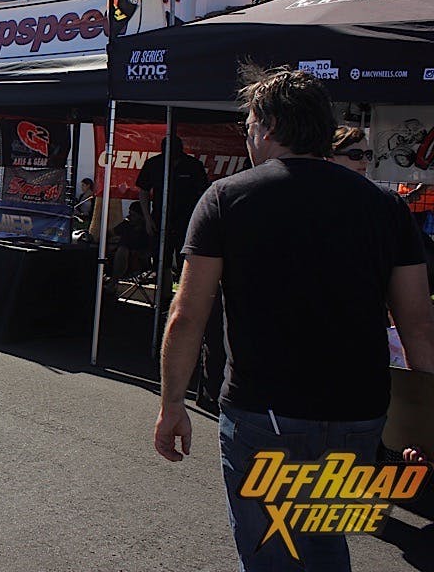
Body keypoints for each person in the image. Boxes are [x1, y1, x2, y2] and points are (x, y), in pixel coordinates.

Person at [154, 67, 434, 571]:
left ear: (270, 126)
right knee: (324, 541)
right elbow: (417, 323)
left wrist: (172, 403)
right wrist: (425, 422)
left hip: (265, 413)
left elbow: (187, 314)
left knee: (270, 551)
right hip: (358, 415)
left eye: (249, 125)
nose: (247, 137)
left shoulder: (226, 198)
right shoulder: (385, 206)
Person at [136, 134, 209, 275]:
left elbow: (203, 193)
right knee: (161, 262)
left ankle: (184, 287)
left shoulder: (193, 165)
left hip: (187, 221)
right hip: (160, 219)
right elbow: (143, 190)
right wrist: (147, 219)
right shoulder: (154, 164)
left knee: (187, 261)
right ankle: (164, 288)